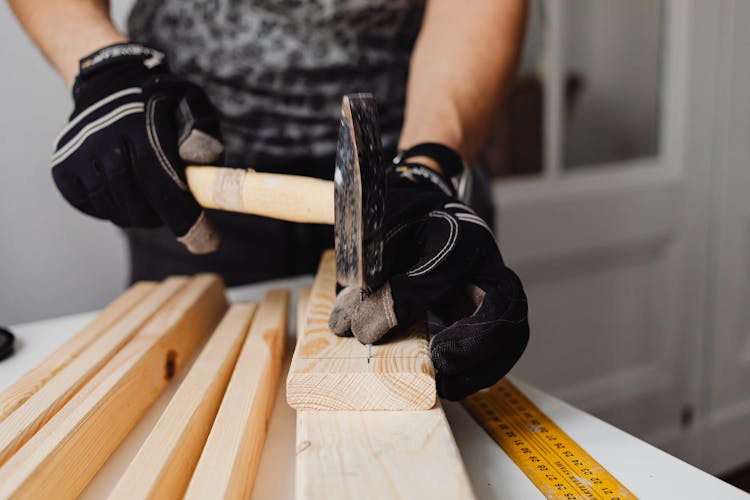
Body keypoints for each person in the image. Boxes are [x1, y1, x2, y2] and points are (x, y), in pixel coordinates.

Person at [9, 0, 530, 400]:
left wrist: (431, 163)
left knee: (421, 393)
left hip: (407, 166)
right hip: (189, 157)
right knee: (183, 397)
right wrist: (105, 65)